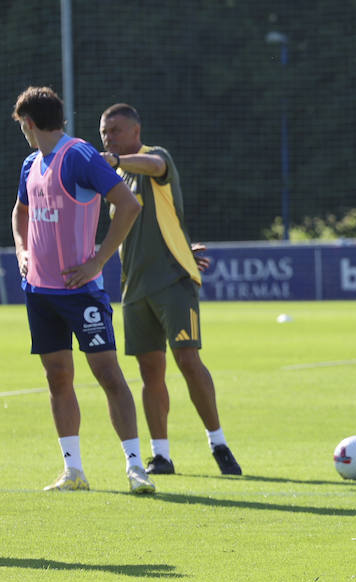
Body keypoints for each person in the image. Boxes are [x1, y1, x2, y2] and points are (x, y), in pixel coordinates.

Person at [10, 86, 156, 494]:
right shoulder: (30, 164)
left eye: (21, 125)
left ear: (29, 123)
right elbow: (20, 212)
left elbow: (129, 204)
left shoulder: (80, 156)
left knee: (108, 374)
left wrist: (98, 260)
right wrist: (22, 250)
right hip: (40, 292)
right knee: (57, 376)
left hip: (81, 292)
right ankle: (73, 471)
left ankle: (135, 467)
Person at [98, 103, 242, 476]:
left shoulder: (154, 158)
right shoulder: (117, 180)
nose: (109, 137)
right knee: (150, 372)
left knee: (188, 360)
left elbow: (156, 166)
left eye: (115, 130)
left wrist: (117, 160)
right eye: (104, 132)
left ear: (135, 131)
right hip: (134, 288)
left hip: (172, 281)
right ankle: (160, 455)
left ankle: (219, 444)